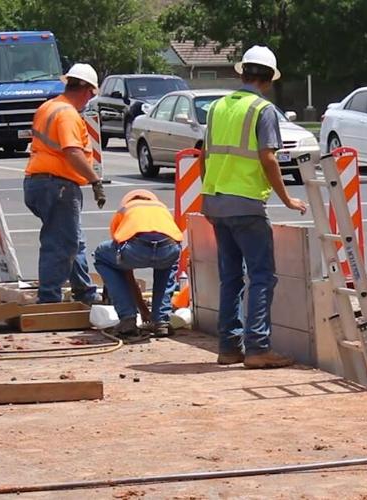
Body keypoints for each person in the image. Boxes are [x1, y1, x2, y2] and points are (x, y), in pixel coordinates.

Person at [201, 45, 307, 369]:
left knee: (230, 277)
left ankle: (228, 348)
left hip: (215, 201)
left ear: (243, 73)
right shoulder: (264, 110)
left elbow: (204, 156)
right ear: (269, 79)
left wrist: (209, 196)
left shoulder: (217, 107)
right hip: (245, 203)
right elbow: (268, 157)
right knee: (261, 276)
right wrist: (288, 199)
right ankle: (258, 348)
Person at [24, 63, 106, 305]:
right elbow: (72, 152)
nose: (89, 101)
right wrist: (94, 180)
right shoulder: (68, 114)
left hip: (39, 182)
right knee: (60, 244)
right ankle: (49, 301)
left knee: (73, 240)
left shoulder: (48, 107)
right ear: (87, 90)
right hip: (57, 185)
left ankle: (85, 293)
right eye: (91, 95)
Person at [93, 190, 182, 343]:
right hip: (168, 249)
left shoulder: (124, 210)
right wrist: (144, 310)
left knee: (102, 256)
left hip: (135, 248)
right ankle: (161, 321)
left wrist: (139, 311)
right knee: (167, 265)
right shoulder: (161, 208)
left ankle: (127, 319)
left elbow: (125, 270)